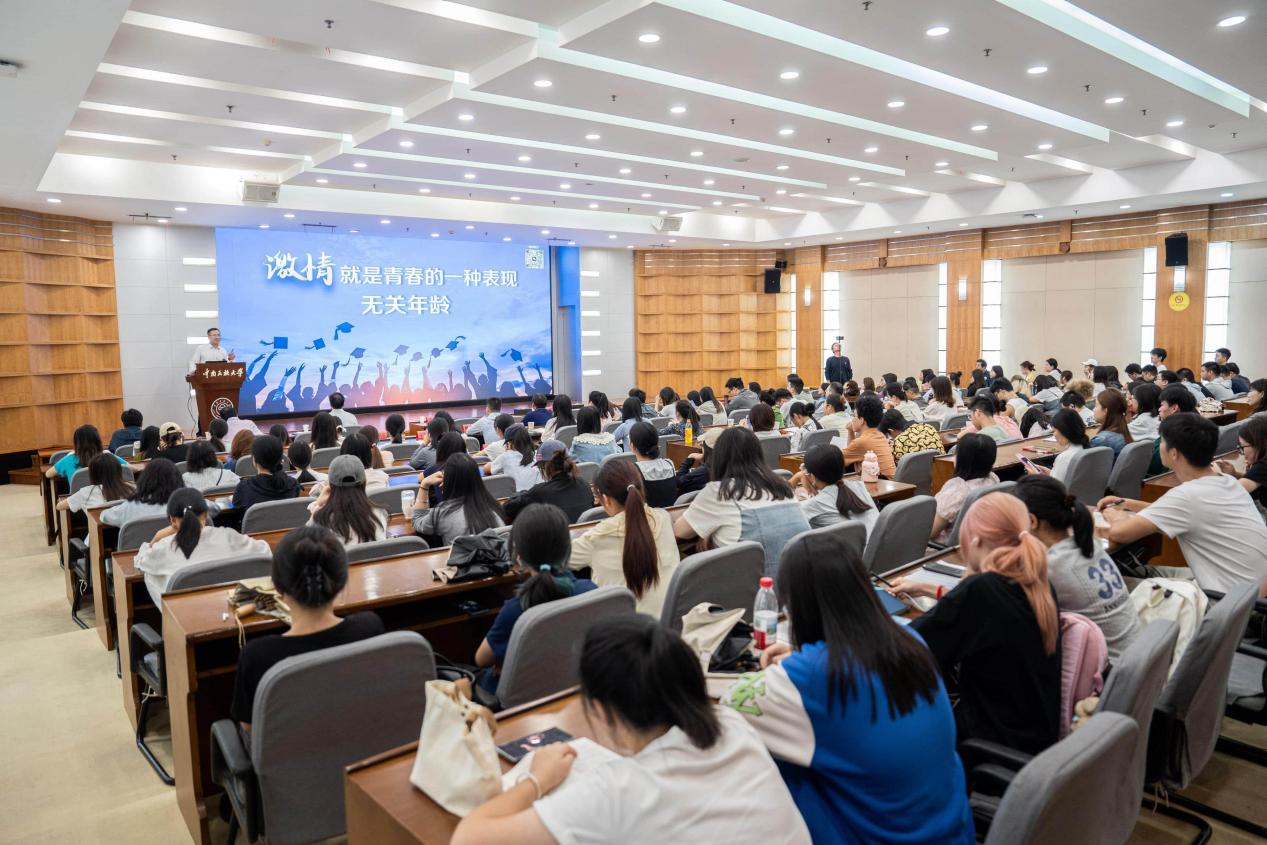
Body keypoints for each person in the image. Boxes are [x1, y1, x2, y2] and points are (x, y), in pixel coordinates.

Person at [453, 615, 811, 845]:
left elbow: (468, 838)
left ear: (602, 711)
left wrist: (538, 780)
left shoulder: (618, 793)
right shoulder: (732, 724)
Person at [726, 534, 975, 845]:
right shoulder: (910, 640)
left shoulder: (811, 677)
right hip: (950, 830)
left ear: (796, 607)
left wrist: (795, 666)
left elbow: (731, 705)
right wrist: (804, 659)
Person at [893, 492, 1061, 754]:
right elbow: (983, 613)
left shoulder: (982, 590)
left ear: (975, 540)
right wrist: (932, 589)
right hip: (1033, 739)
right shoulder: (1037, 581)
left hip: (989, 749)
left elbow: (905, 649)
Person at [229, 525, 385, 728]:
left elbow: (249, 727)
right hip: (362, 740)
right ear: (342, 580)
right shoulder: (370, 628)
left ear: (277, 586)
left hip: (287, 749)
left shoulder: (257, 656)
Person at [1098, 414, 1267, 595]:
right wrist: (1128, 504)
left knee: (1111, 584)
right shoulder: (1227, 481)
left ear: (1174, 453)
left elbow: (1119, 533)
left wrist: (1116, 515)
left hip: (1227, 602)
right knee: (1137, 570)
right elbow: (1177, 512)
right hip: (1248, 592)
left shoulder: (1187, 496)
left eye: (1162, 441)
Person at [475, 504, 599, 694]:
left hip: (521, 702)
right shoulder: (590, 591)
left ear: (519, 555)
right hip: (573, 687)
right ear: (568, 548)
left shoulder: (516, 609)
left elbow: (481, 659)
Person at [1015, 476, 1142, 660]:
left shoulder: (1051, 566)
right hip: (1135, 658)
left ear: (1031, 521)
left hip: (1110, 670)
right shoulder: (1089, 543)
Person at [568, 461, 680, 618]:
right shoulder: (663, 518)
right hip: (671, 622)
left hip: (624, 630)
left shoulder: (596, 538)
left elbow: (556, 559)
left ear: (605, 499)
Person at [136, 488, 270, 607]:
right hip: (232, 609)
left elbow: (140, 562)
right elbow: (264, 550)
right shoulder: (229, 536)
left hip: (185, 620)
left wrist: (155, 539)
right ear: (206, 515)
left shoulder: (163, 547)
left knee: (151, 575)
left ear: (172, 520)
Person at [674, 427, 796, 548]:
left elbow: (678, 532)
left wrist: (709, 529)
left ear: (719, 455)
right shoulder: (782, 484)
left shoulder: (718, 491)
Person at [411, 452, 505, 545]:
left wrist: (424, 484)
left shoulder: (444, 513)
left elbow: (417, 521)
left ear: (448, 481)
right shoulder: (495, 506)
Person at [791, 444, 878, 537]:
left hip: (857, 546)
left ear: (811, 475)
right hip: (880, 543)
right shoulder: (858, 486)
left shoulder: (813, 505)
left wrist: (796, 477)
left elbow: (785, 509)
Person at [307, 454, 389, 547]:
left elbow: (303, 546)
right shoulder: (379, 514)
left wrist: (318, 505)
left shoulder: (321, 519)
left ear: (330, 485)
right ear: (364, 483)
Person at [504, 441, 595, 523]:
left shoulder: (539, 492)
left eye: (540, 467)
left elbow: (508, 508)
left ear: (546, 467)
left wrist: (523, 493)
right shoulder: (584, 484)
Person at [930, 433, 998, 543]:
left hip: (945, 548)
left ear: (961, 459)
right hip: (977, 541)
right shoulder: (993, 479)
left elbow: (930, 532)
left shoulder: (957, 491)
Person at [101, 457, 185, 527]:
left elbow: (103, 516)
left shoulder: (131, 506)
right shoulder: (184, 507)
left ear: (145, 479)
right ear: (177, 480)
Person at [231, 435, 301, 511]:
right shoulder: (293, 485)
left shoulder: (244, 488)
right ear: (281, 459)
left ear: (254, 459)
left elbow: (236, 514)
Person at [57, 453, 134, 518]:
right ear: (119, 470)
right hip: (128, 531)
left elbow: (59, 506)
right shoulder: (132, 488)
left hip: (97, 531)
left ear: (93, 474)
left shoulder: (86, 492)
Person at [1023, 408, 1089, 484]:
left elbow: (1055, 487)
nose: (1054, 434)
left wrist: (1035, 476)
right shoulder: (1085, 449)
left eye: (1054, 431)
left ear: (1064, 431)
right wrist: (1049, 472)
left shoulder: (1064, 458)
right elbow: (1065, 477)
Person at [1217, 416, 1267, 507]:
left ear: (1258, 444)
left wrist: (1215, 474)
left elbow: (1232, 493)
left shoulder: (1262, 466)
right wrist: (1234, 474)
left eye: (1243, 447)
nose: (1243, 452)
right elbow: (1255, 480)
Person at [843, 395, 897, 477]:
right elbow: (852, 454)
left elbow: (839, 460)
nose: (852, 419)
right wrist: (850, 431)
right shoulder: (880, 435)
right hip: (891, 482)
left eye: (854, 416)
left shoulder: (862, 442)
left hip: (880, 483)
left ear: (861, 420)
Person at [627, 421, 679, 508]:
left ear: (632, 446)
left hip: (648, 516)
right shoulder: (669, 463)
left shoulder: (633, 470)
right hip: (671, 515)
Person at [47, 424, 126, 480]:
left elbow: (48, 474)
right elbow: (129, 468)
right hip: (105, 497)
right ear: (98, 440)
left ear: (76, 443)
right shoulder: (108, 457)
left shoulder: (68, 459)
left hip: (79, 499)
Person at [489, 425, 544, 493]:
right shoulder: (539, 455)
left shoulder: (505, 457)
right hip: (537, 496)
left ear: (509, 443)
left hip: (516, 497)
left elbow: (486, 470)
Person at [878, 410, 944, 462]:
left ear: (891, 430)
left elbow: (895, 467)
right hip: (941, 469)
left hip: (917, 474)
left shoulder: (898, 443)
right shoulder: (928, 427)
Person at [1089, 390, 1132, 460]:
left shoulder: (1101, 440)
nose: (1093, 409)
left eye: (1096, 406)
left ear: (1105, 411)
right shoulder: (1124, 433)